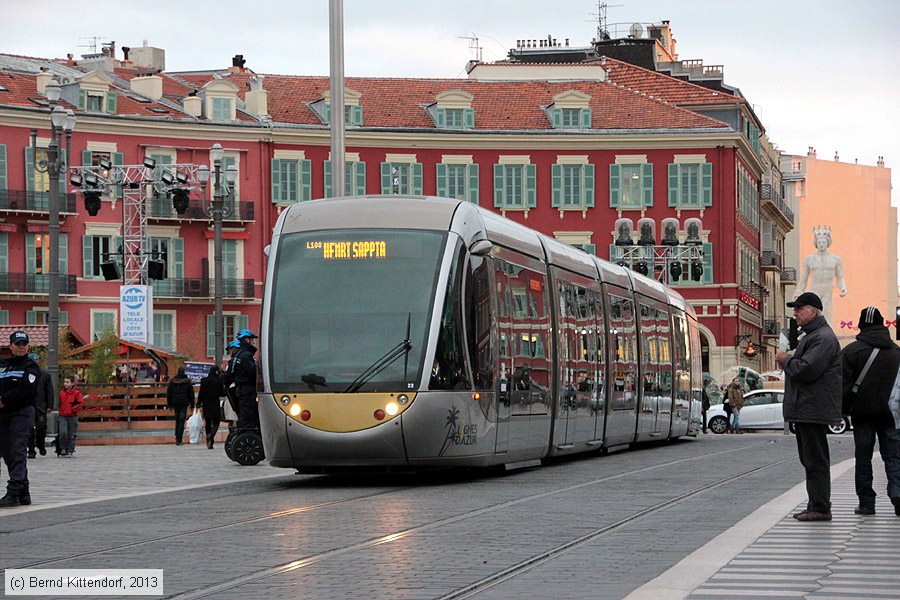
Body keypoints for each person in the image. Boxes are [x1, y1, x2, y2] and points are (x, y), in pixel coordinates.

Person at [776, 292, 842, 522]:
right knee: (810, 459)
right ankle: (816, 503)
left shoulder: (822, 338)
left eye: (799, 309)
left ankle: (821, 507)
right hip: (808, 408)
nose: (795, 314)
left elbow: (806, 369)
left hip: (812, 408)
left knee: (815, 460)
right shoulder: (814, 336)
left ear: (813, 311)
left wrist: (785, 360)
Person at [841, 306, 900, 516]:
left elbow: (844, 387)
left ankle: (867, 503)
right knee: (894, 456)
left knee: (863, 457)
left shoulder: (851, 351)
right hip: (891, 414)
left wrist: (843, 411)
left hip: (862, 415)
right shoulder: (896, 353)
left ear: (861, 325)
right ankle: (897, 493)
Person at [0, 331, 41, 507]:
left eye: (24, 344)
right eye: (18, 344)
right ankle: (23, 492)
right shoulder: (4, 366)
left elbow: (26, 389)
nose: (21, 347)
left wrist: (4, 400)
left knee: (17, 450)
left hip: (22, 412)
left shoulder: (31, 366)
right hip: (4, 415)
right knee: (8, 453)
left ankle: (14, 491)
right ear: (11, 346)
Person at [797, 226, 848, 324]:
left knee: (826, 317)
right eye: (819, 242)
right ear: (816, 243)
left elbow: (840, 277)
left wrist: (843, 287)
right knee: (813, 316)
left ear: (828, 243)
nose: (821, 244)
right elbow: (804, 279)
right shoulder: (809, 259)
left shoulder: (835, 259)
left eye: (823, 242)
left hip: (827, 291)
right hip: (814, 289)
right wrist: (799, 291)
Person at [223, 330, 259, 431]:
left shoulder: (238, 355)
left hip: (241, 389)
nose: (253, 343)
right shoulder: (246, 355)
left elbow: (230, 374)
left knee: (244, 414)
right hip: (247, 390)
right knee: (248, 415)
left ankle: (243, 431)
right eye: (252, 340)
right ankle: (246, 433)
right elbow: (253, 373)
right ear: (247, 340)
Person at [26, 354, 54, 459]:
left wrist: (50, 405)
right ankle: (31, 450)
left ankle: (41, 445)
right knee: (29, 429)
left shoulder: (45, 375)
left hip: (41, 407)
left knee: (41, 428)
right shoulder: (25, 374)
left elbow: (50, 391)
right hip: (28, 406)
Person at [197, 365, 226, 449]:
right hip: (215, 403)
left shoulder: (204, 381)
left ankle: (209, 438)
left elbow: (201, 393)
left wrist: (199, 403)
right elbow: (222, 393)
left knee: (208, 422)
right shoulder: (218, 381)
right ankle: (212, 435)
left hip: (206, 404)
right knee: (216, 422)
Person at [166, 367, 195, 446]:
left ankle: (177, 436)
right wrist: (192, 405)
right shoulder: (187, 382)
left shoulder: (173, 381)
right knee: (182, 420)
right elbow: (191, 394)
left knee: (177, 419)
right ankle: (179, 438)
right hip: (184, 403)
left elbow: (169, 393)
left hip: (175, 402)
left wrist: (169, 404)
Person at [57, 375, 84, 457]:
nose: (65, 384)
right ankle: (63, 448)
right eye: (65, 382)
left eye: (67, 382)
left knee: (72, 434)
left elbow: (80, 403)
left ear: (72, 383)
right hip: (63, 416)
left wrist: (73, 409)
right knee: (63, 433)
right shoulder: (62, 393)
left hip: (72, 416)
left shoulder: (77, 393)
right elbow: (59, 403)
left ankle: (70, 450)